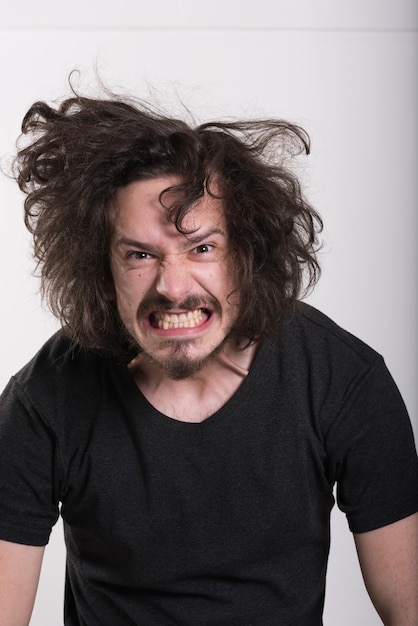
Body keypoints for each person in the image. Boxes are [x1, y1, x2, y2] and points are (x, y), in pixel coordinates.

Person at [0, 89, 417, 626]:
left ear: (246, 256)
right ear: (102, 274)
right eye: (140, 255)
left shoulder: (342, 380)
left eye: (201, 247)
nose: (173, 288)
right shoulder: (44, 400)